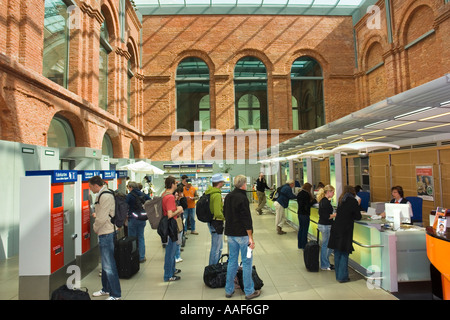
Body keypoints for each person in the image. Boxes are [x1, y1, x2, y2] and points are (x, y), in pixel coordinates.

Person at [224, 175, 260, 300]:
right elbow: (246, 219)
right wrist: (251, 237)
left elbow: (225, 213)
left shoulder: (228, 196)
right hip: (243, 236)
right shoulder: (243, 198)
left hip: (230, 235)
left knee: (232, 261)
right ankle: (249, 291)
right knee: (247, 262)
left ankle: (229, 290)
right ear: (244, 184)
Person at [89, 175, 121, 300]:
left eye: (91, 187)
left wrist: (95, 228)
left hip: (106, 232)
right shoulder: (102, 194)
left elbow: (102, 218)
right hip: (105, 232)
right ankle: (106, 289)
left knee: (109, 265)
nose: (90, 189)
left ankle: (115, 294)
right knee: (105, 265)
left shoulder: (105, 196)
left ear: (96, 185)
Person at [327, 186, 362, 283]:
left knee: (337, 253)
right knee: (343, 253)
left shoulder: (341, 200)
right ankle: (342, 277)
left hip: (336, 228)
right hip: (345, 230)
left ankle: (339, 275)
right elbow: (358, 216)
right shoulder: (352, 201)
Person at [162, 176, 184, 282]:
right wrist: (179, 210)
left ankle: (171, 270)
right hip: (171, 226)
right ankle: (168, 275)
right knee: (171, 252)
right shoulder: (170, 197)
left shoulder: (164, 194)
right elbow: (170, 214)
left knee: (170, 250)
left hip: (167, 226)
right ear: (171, 184)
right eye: (175, 183)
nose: (176, 184)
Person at [126, 181, 150, 263]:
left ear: (130, 187)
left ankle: (132, 257)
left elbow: (125, 205)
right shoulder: (143, 194)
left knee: (132, 239)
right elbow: (150, 201)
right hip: (142, 218)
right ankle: (141, 257)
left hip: (132, 219)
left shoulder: (129, 196)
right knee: (141, 237)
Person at [205, 173, 225, 266]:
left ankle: (214, 266)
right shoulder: (216, 195)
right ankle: (212, 268)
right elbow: (217, 212)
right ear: (219, 183)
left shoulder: (210, 192)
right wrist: (225, 217)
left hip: (211, 222)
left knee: (218, 246)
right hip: (216, 223)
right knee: (216, 248)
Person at [317, 185, 336, 271]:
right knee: (327, 245)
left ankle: (325, 263)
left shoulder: (323, 201)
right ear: (328, 192)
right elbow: (326, 216)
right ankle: (325, 264)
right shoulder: (325, 202)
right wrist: (335, 215)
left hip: (324, 225)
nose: (334, 194)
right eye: (333, 192)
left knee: (326, 245)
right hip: (326, 225)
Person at [296, 183, 317, 249]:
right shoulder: (306, 194)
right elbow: (307, 205)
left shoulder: (300, 193)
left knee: (301, 229)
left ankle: (300, 244)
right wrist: (314, 201)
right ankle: (304, 244)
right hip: (305, 214)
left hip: (300, 213)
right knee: (305, 229)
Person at [175, 186, 188, 263]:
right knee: (177, 239)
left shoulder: (181, 199)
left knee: (179, 238)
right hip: (176, 221)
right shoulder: (174, 201)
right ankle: (176, 256)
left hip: (180, 220)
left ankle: (178, 255)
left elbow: (185, 206)